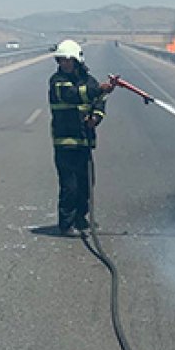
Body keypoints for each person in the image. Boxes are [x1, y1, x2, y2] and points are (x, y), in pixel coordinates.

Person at [48, 40, 112, 237]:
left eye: (67, 60)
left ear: (77, 60)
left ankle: (80, 218)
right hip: (65, 142)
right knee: (70, 186)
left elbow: (99, 103)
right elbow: (71, 95)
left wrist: (96, 118)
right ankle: (66, 224)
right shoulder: (57, 80)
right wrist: (100, 89)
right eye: (61, 60)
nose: (64, 64)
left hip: (84, 142)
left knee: (85, 184)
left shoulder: (89, 81)